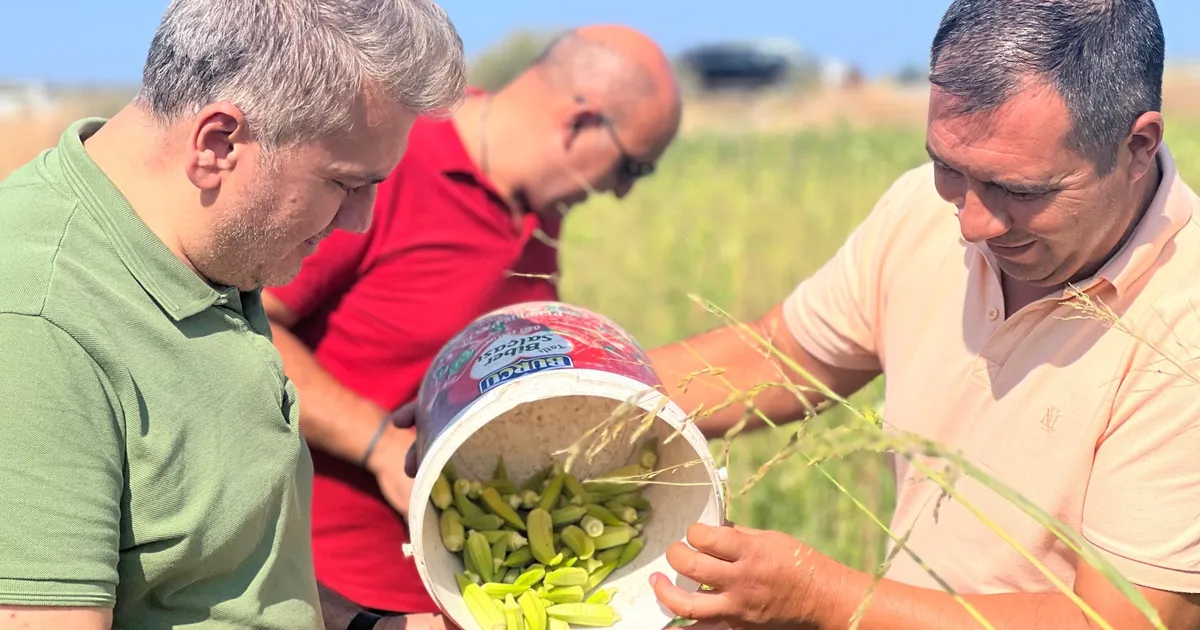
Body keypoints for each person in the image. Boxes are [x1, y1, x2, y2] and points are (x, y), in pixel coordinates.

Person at [636, 1, 1200, 629]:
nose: (972, 223)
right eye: (948, 168)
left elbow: (1124, 621)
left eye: (1020, 191)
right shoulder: (919, 212)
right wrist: (584, 393)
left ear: (1138, 146)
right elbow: (782, 355)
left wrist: (820, 599)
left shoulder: (1186, 325)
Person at [0, 0, 466, 628]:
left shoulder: (210, 246)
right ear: (219, 143)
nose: (359, 223)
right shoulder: (38, 320)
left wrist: (370, 627)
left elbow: (217, 580)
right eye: (346, 184)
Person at [261, 24, 682, 617]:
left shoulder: (539, 216)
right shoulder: (388, 164)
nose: (619, 195)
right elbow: (249, 331)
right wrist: (380, 445)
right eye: (632, 168)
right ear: (580, 123)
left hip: (469, 592)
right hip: (329, 595)